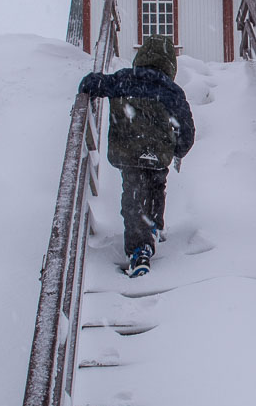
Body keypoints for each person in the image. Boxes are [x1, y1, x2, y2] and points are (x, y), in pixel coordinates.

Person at [79, 36, 195, 276]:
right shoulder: (171, 90)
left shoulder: (124, 78)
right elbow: (187, 129)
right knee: (156, 187)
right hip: (157, 154)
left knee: (132, 197)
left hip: (129, 152)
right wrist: (179, 149)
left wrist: (87, 86)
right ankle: (153, 227)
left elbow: (97, 84)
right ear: (170, 64)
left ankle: (138, 248)